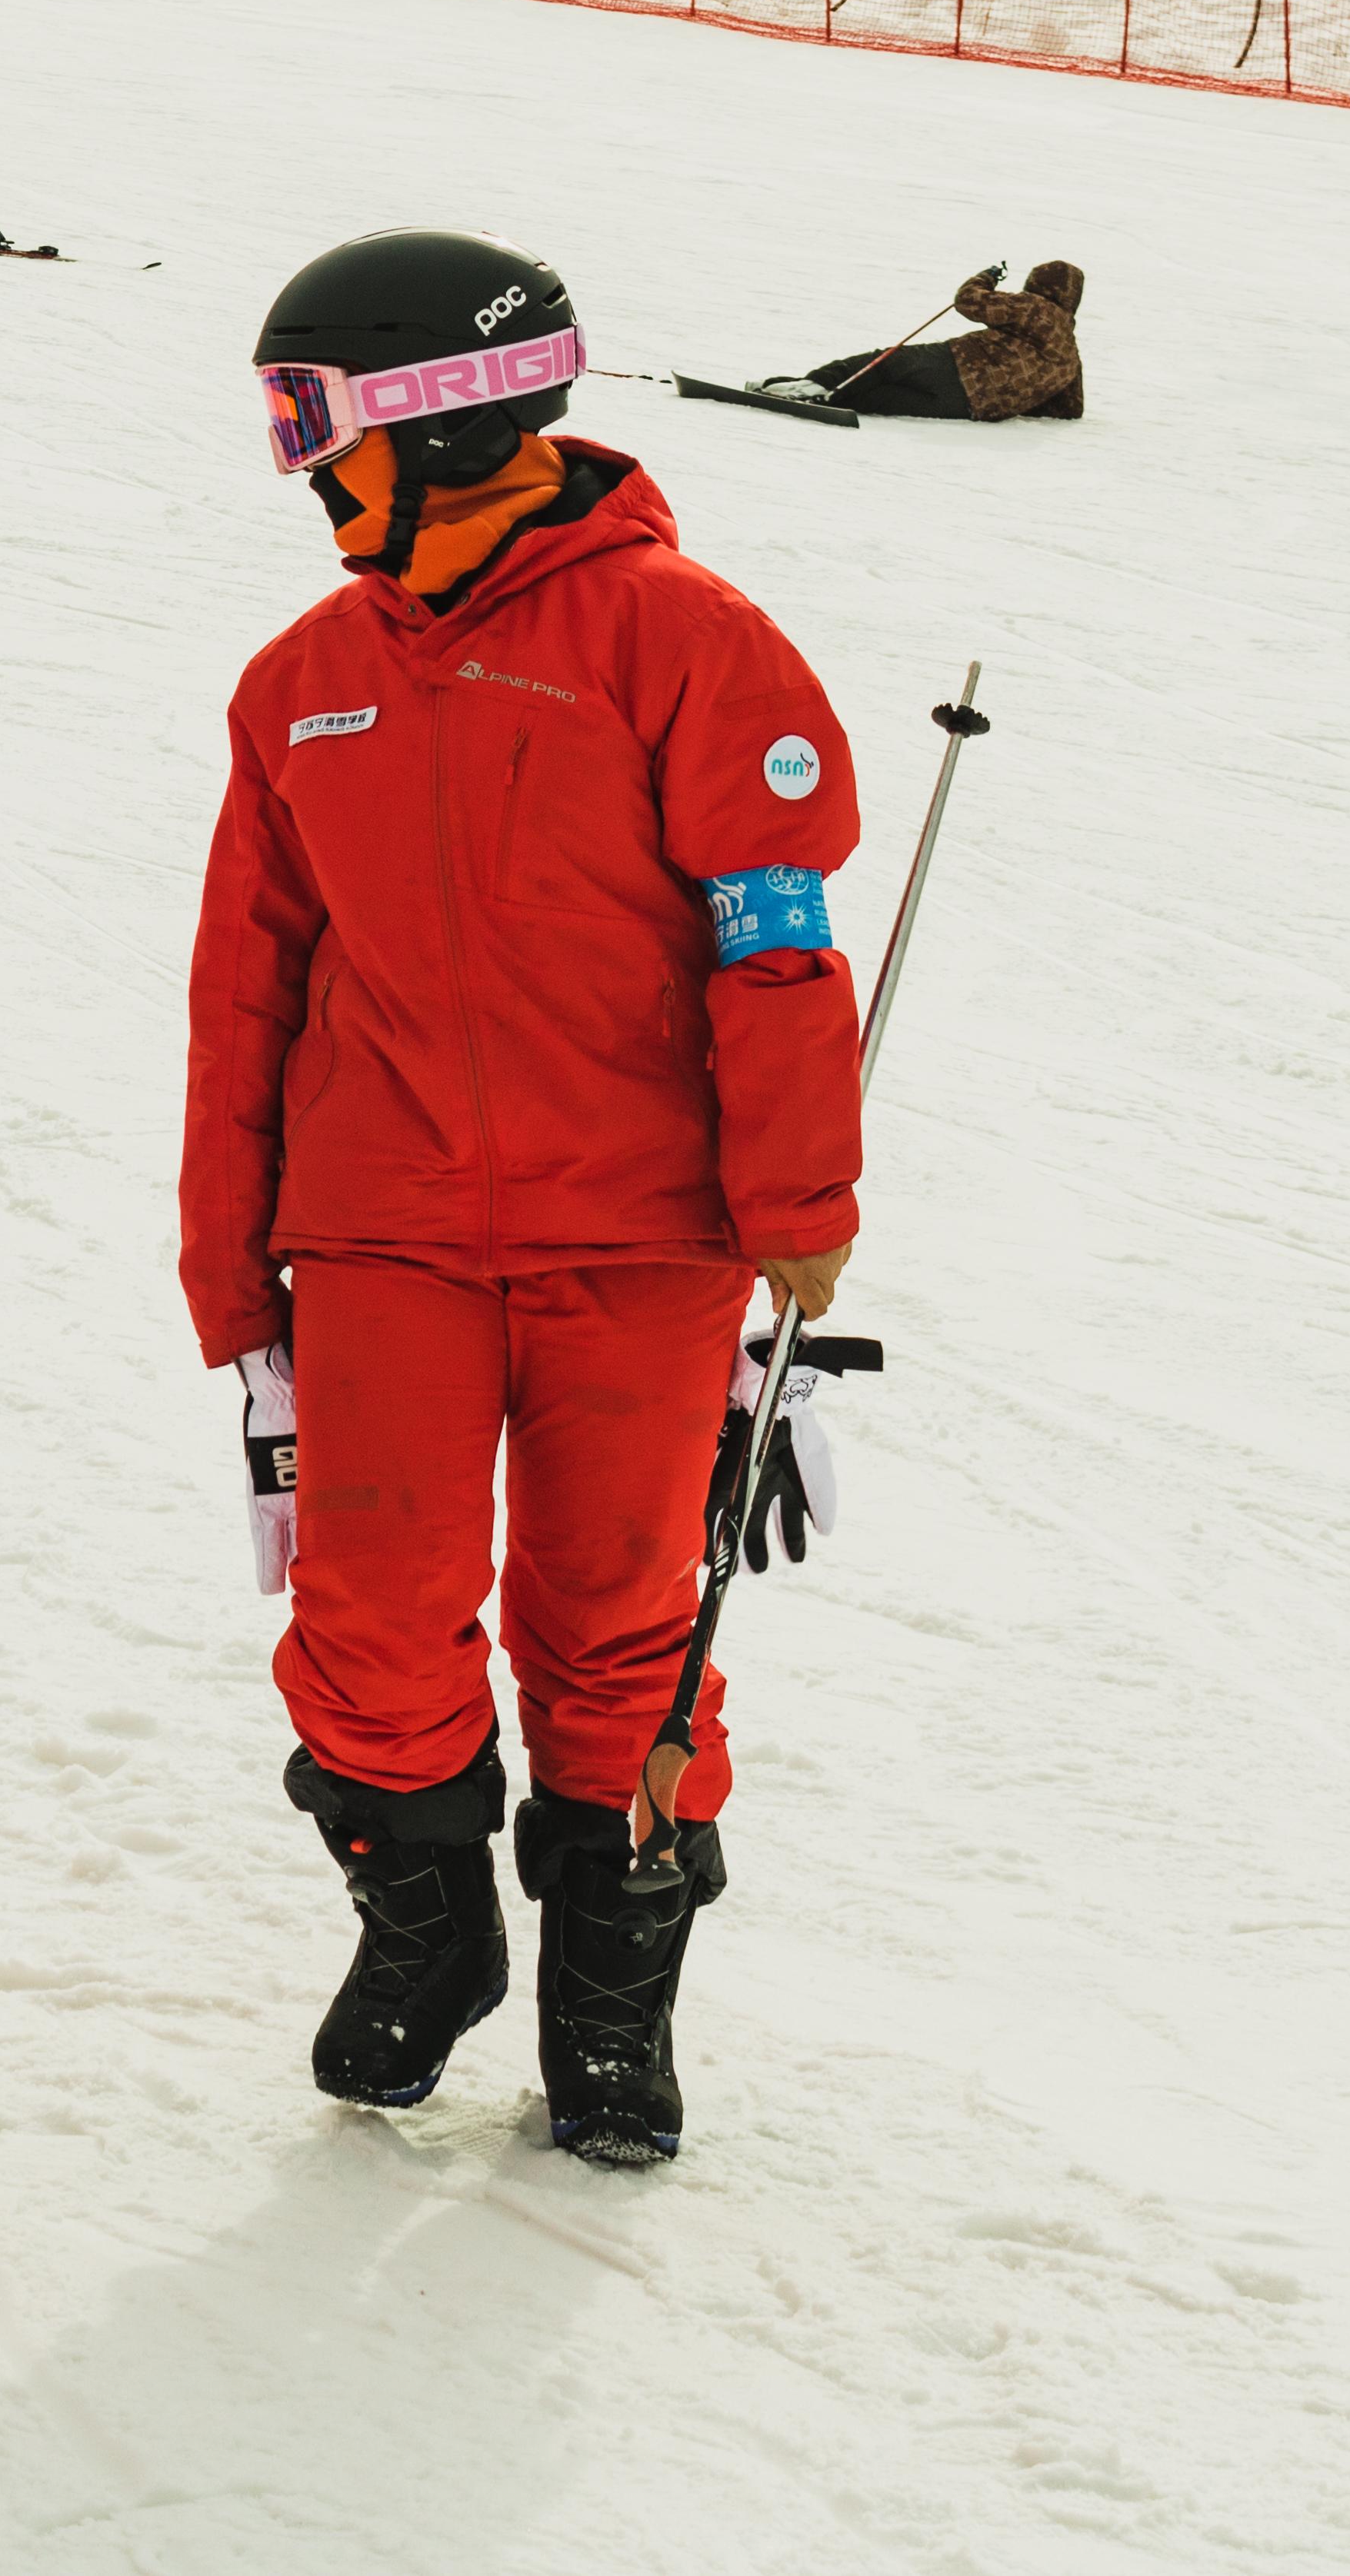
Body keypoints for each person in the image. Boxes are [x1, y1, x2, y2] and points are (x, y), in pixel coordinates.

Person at [192, 229, 869, 2169]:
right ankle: (429, 1927)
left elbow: (776, 942)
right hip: (387, 1230)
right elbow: (247, 990)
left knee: (616, 1616)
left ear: (435, 415)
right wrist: (226, 1258)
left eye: (310, 419)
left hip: (639, 1240)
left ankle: (609, 1991)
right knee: (372, 1612)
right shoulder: (302, 682)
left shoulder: (685, 640)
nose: (299, 464)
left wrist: (797, 1198)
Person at [776, 261, 1087, 423]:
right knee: (882, 399)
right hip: (968, 407)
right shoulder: (1071, 354)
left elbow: (969, 302)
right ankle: (827, 399)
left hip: (956, 364)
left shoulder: (1036, 307)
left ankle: (810, 386)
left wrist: (986, 277)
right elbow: (1070, 409)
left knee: (882, 364)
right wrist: (1012, 395)